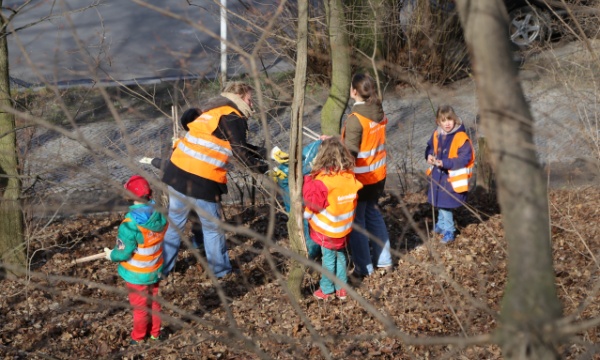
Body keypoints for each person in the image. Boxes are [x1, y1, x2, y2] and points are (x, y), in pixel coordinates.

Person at [161, 81, 268, 279]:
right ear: (239, 97)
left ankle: (162, 270)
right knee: (212, 229)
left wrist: (263, 152)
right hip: (201, 179)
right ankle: (221, 272)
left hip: (177, 172)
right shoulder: (232, 116)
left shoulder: (213, 112)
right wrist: (264, 169)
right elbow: (240, 152)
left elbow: (232, 144)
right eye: (249, 99)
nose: (252, 104)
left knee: (175, 224)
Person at [103, 175, 168, 345]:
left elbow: (123, 253)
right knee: (154, 303)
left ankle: (138, 338)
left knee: (140, 308)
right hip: (154, 269)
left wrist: (111, 255)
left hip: (137, 275)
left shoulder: (130, 225)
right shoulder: (160, 217)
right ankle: (155, 333)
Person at [341, 73, 393, 277]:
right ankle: (385, 261)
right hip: (378, 176)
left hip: (360, 179)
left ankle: (364, 268)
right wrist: (338, 139)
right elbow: (365, 142)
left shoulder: (356, 119)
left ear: (354, 91)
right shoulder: (378, 113)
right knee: (374, 215)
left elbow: (352, 152)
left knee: (357, 223)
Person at [302, 137, 363, 300]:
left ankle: (327, 289)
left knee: (328, 259)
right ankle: (342, 289)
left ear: (322, 157)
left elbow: (313, 203)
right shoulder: (350, 177)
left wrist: (308, 180)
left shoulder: (323, 181)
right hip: (344, 228)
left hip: (327, 229)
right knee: (341, 255)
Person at [425, 104, 474, 243]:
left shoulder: (461, 137)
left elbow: (464, 158)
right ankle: (441, 224)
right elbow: (429, 148)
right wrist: (428, 156)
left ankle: (449, 230)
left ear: (455, 120)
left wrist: (444, 163)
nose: (447, 123)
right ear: (438, 122)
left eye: (450, 120)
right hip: (438, 176)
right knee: (440, 202)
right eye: (443, 120)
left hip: (451, 178)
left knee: (446, 205)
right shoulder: (436, 134)